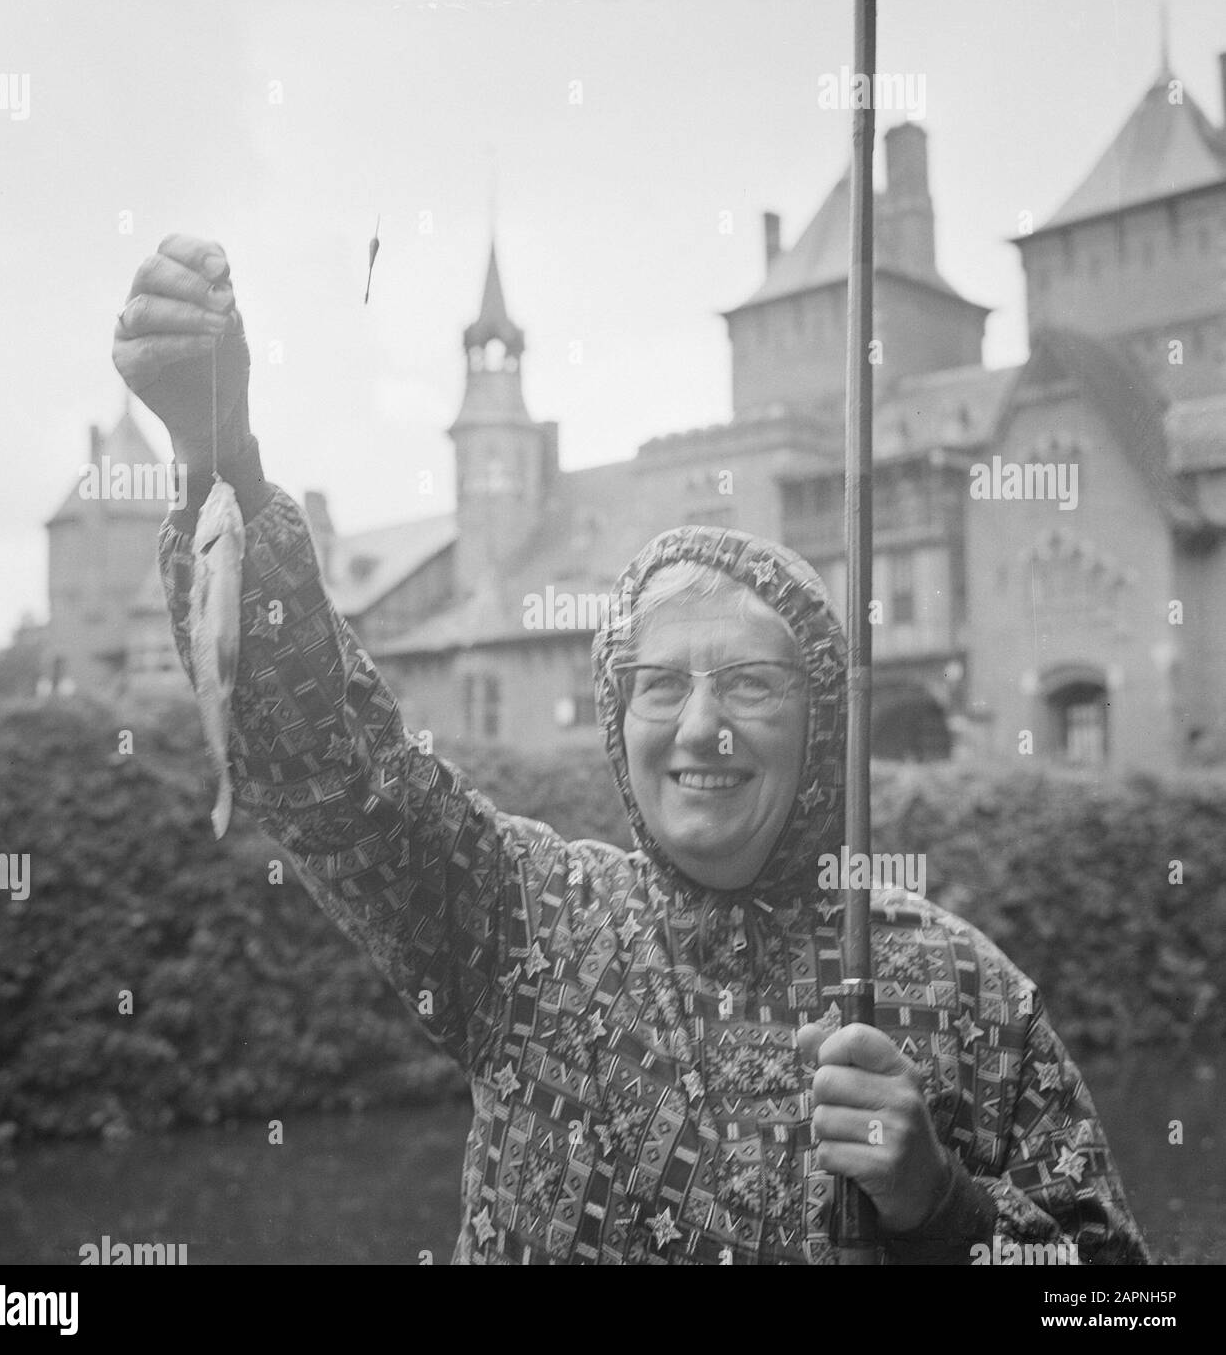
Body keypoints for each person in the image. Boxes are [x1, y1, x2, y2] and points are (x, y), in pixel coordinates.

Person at [113, 234, 1149, 1266]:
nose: (703, 726)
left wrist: (944, 1208)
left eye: (750, 682)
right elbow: (333, 769)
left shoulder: (971, 996)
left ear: (823, 721)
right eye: (660, 686)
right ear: (618, 721)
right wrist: (222, 458)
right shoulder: (518, 920)